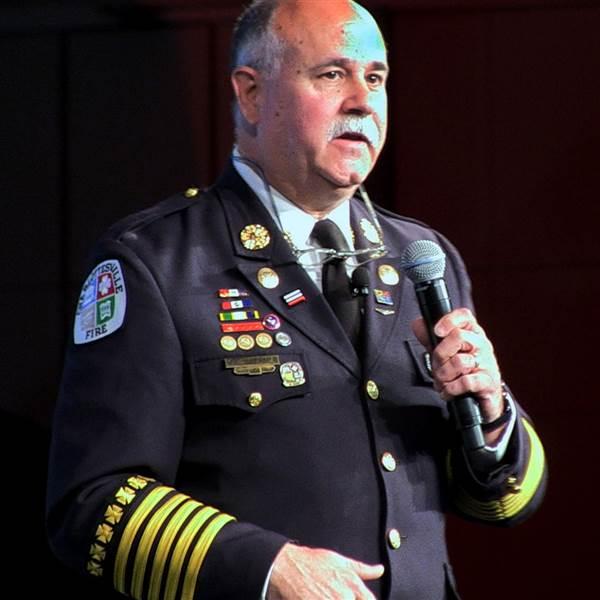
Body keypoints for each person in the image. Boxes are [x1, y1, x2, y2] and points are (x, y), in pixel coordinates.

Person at [47, 1, 547, 599]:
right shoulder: (157, 262)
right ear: (253, 95)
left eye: (377, 78)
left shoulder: (422, 258)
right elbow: (92, 503)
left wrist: (491, 417)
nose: (363, 100)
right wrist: (266, 568)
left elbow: (501, 503)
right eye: (333, 75)